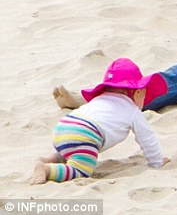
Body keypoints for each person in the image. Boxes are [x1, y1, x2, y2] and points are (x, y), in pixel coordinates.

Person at [32, 58, 169, 184]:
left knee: (71, 152)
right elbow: (147, 138)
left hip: (63, 127)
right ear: (137, 92)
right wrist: (156, 162)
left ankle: (48, 160)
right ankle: (47, 169)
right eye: (144, 94)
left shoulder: (100, 99)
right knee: (81, 170)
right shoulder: (132, 110)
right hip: (86, 133)